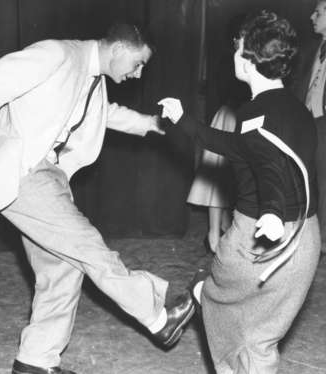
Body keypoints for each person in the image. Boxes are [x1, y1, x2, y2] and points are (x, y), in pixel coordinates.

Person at [0, 23, 196, 374]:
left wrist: (149, 123)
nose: (139, 73)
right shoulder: (56, 54)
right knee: (89, 248)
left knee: (63, 268)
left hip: (48, 177)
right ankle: (158, 317)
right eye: (137, 63)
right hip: (24, 174)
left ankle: (34, 363)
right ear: (117, 49)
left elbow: (106, 115)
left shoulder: (93, 80)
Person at [160, 10, 320, 373]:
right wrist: (183, 120)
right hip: (305, 241)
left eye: (238, 49)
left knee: (220, 304)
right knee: (260, 340)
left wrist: (272, 212)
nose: (233, 54)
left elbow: (269, 169)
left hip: (260, 242)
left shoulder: (253, 116)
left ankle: (202, 293)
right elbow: (237, 146)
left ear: (248, 61)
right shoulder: (296, 109)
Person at [292, 0, 326, 258]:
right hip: (308, 121)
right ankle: (310, 235)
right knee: (307, 178)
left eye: (318, 12)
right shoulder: (314, 48)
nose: (312, 17)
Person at [186, 105, 235, 253]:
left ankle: (224, 226)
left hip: (254, 111)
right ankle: (214, 233)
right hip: (233, 113)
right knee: (218, 170)